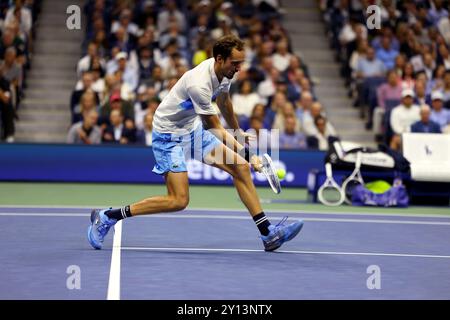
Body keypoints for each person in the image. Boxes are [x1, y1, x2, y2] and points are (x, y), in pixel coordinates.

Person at [87, 35, 303, 252]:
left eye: (241, 63)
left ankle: (268, 233)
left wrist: (238, 132)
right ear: (219, 59)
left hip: (191, 129)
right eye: (235, 63)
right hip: (168, 135)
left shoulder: (225, 73)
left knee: (240, 169)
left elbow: (224, 102)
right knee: (178, 201)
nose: (239, 68)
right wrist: (249, 154)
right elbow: (215, 127)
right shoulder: (199, 84)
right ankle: (108, 216)